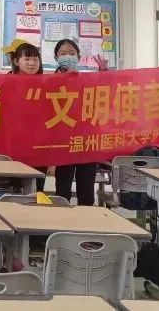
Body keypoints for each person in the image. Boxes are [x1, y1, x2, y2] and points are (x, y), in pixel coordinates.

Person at [52, 39, 107, 205]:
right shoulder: (48, 82)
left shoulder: (86, 80)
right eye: (63, 53)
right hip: (63, 141)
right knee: (62, 189)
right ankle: (62, 219)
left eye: (72, 53)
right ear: (56, 57)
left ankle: (86, 220)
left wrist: (104, 73)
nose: (68, 56)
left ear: (79, 57)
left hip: (86, 140)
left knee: (87, 190)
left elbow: (103, 93)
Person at [5, 40, 46, 190]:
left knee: (37, 188)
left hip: (39, 145)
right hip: (14, 144)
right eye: (27, 59)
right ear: (16, 61)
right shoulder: (6, 83)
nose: (32, 63)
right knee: (14, 187)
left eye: (35, 59)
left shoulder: (46, 84)